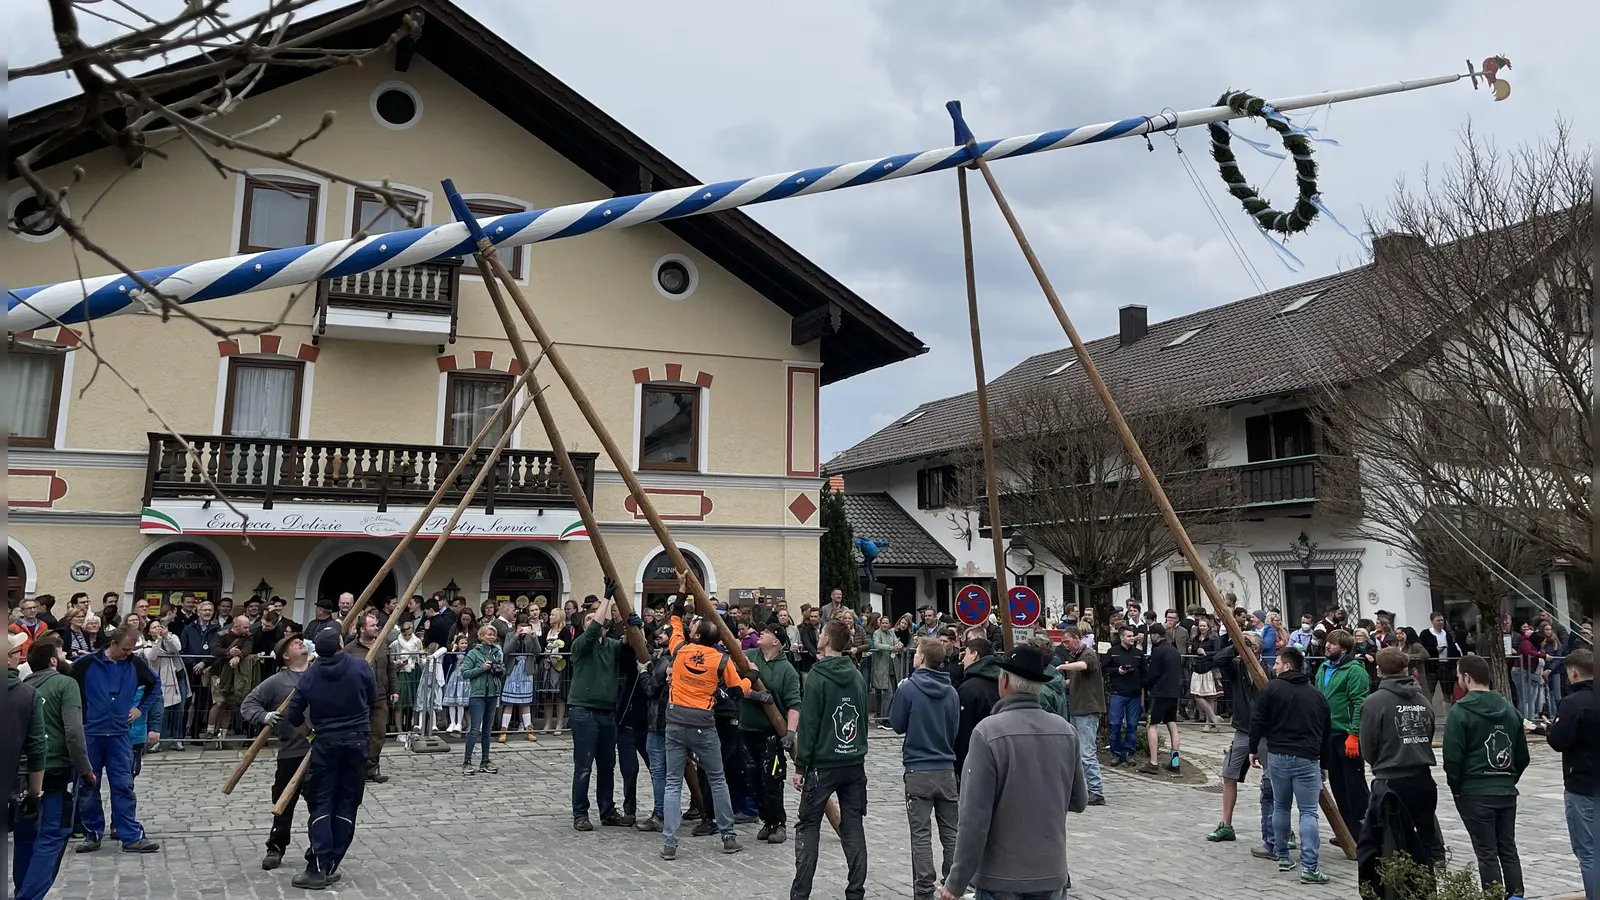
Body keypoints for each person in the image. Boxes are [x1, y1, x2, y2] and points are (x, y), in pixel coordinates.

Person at [940, 642, 1087, 900]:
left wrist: (955, 883)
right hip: (1051, 872)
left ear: (1004, 681)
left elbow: (974, 820)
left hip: (1002, 877)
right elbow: (1079, 801)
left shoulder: (988, 733)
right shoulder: (1066, 731)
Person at [660, 593, 750, 860]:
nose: (691, 627)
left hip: (675, 721)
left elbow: (675, 623)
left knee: (673, 783)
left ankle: (670, 843)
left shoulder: (680, 650)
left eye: (695, 627)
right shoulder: (721, 660)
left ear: (697, 637)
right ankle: (728, 835)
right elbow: (737, 690)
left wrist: (678, 597)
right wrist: (751, 677)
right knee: (717, 779)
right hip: (703, 723)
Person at [285, 629, 376, 889]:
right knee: (347, 800)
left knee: (323, 801)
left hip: (326, 742)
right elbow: (371, 698)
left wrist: (308, 733)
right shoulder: (360, 666)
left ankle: (318, 866)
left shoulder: (310, 674)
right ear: (340, 644)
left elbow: (294, 713)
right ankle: (330, 862)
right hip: (357, 740)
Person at [791, 619, 869, 900]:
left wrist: (801, 765)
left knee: (808, 826)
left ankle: (800, 894)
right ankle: (856, 892)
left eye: (822, 633)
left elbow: (809, 725)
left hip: (823, 764)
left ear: (826, 640)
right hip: (853, 762)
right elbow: (861, 717)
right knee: (853, 826)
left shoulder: (818, 676)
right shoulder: (856, 674)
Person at [69, 626, 162, 855]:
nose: (129, 653)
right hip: (91, 734)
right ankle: (92, 833)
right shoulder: (85, 664)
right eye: (125, 649)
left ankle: (129, 835)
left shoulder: (134, 663)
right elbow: (68, 688)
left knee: (123, 785)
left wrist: (140, 709)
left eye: (132, 649)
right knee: (89, 784)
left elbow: (154, 685)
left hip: (120, 735)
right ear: (112, 644)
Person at [1443, 653, 1528, 899]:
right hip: (1504, 790)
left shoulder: (1460, 712)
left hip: (1474, 790)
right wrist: (1507, 778)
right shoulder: (1510, 709)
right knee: (1508, 849)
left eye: (1459, 676)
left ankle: (1493, 896)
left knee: (1487, 852)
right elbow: (1522, 756)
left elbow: (1453, 758)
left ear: (1467, 678)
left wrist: (1456, 787)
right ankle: (1516, 896)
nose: (1458, 680)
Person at [1357, 646, 1443, 889]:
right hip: (1423, 779)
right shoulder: (1422, 700)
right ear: (1406, 669)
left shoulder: (1374, 703)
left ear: (1379, 670)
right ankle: (1426, 888)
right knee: (1424, 841)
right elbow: (1428, 732)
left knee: (1390, 844)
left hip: (1391, 781)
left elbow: (1368, 745)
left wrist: (1380, 764)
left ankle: (1395, 890)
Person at [14, 637, 93, 900]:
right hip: (56, 769)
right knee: (52, 836)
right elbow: (73, 731)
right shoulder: (66, 683)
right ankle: (29, 896)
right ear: (52, 660)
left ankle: (21, 889)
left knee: (25, 837)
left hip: (22, 772)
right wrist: (85, 769)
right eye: (61, 653)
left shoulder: (23, 686)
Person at [1249, 646, 1331, 884]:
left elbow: (1258, 720)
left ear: (1287, 666)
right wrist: (1324, 762)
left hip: (1277, 756)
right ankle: (1309, 866)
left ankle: (1282, 854)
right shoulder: (1316, 695)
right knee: (1308, 812)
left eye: (1276, 663)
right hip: (1307, 758)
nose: (1273, 667)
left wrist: (1254, 749)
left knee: (1280, 806)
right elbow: (1325, 732)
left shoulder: (1271, 690)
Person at [892, 637, 960, 900]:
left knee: (920, 834)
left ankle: (923, 890)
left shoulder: (909, 689)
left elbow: (897, 724)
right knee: (950, 832)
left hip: (918, 769)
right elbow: (954, 729)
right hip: (945, 768)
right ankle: (954, 883)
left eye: (916, 653)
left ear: (921, 658)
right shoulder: (952, 691)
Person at [240, 635, 314, 871]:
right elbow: (248, 704)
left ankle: (318, 849)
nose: (301, 643)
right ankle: (276, 847)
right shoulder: (277, 681)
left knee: (321, 805)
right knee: (283, 804)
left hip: (320, 751)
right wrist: (265, 716)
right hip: (291, 752)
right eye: (294, 643)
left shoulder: (319, 673)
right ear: (285, 654)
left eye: (301, 641)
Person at [570, 591, 637, 831]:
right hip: (583, 712)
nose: (593, 621)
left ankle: (607, 811)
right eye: (587, 619)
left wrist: (632, 625)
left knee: (607, 765)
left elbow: (629, 644)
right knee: (584, 766)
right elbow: (593, 629)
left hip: (607, 712)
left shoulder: (611, 646)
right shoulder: (580, 646)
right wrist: (606, 599)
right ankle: (580, 814)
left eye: (594, 618)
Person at [739, 622, 801, 844]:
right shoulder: (748, 656)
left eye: (765, 632)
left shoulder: (787, 671)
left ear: (776, 641)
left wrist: (791, 733)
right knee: (751, 780)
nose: (760, 634)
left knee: (771, 780)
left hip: (771, 735)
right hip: (746, 730)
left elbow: (795, 704)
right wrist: (753, 696)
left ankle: (778, 823)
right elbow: (735, 684)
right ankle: (766, 819)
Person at [1547, 647, 1597, 899]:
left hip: (1582, 784)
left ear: (1574, 673)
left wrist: (1548, 729)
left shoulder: (1572, 702)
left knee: (1588, 851)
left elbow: (1558, 740)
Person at [1317, 629, 1369, 843]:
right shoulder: (1322, 667)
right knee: (1338, 785)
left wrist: (1354, 734)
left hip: (1346, 735)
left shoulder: (1354, 671)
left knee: (1355, 786)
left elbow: (1359, 702)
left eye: (1334, 644)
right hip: (1329, 734)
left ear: (1345, 649)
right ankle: (1347, 832)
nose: (1328, 646)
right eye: (1328, 642)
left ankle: (1364, 833)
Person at [1056, 625, 1106, 806]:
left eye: (1068, 642)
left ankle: (1096, 790)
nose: (1066, 646)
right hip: (1076, 710)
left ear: (1078, 638)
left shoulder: (1088, 654)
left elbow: (1083, 666)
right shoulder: (1074, 657)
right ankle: (1082, 789)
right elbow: (1073, 681)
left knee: (1087, 752)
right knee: (1077, 752)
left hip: (1088, 710)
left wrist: (1063, 666)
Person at [349, 611, 397, 783]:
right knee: (360, 735)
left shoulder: (382, 645)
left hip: (380, 696)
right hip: (358, 698)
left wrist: (394, 690)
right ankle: (358, 769)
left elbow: (390, 669)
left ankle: (371, 768)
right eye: (372, 626)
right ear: (362, 629)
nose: (376, 628)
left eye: (377, 625)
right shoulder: (350, 650)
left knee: (378, 734)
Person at [460, 623, 504, 776]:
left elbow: (503, 670)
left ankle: (485, 761)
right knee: (474, 729)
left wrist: (498, 668)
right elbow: (465, 673)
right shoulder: (473, 653)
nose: (491, 637)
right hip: (477, 694)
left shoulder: (496, 652)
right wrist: (482, 668)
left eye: (493, 635)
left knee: (487, 730)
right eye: (488, 634)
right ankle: (467, 761)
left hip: (492, 693)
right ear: (481, 636)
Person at [953, 635, 1000, 776]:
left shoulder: (970, 688)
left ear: (974, 655)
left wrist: (959, 765)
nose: (963, 659)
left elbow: (963, 730)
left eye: (966, 653)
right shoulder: (1002, 681)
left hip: (975, 757)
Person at [1140, 622, 1182, 774]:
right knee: (1172, 724)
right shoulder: (1174, 650)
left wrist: (1148, 684)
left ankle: (1153, 762)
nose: (1150, 638)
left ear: (1156, 635)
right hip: (1174, 692)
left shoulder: (1158, 651)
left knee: (1152, 724)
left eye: (1151, 635)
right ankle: (1175, 762)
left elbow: (1154, 673)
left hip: (1160, 692)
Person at [1104, 626, 1144, 766]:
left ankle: (1128, 753)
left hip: (1134, 694)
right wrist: (1117, 671)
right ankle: (1115, 753)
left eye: (1132, 636)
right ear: (1121, 637)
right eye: (1128, 636)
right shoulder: (1113, 652)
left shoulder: (1139, 653)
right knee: (1115, 724)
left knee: (1132, 725)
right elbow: (1104, 669)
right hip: (1118, 693)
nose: (1131, 638)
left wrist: (1141, 687)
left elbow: (1145, 673)